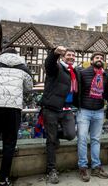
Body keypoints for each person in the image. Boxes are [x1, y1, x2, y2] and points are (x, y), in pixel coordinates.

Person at [0, 48, 33, 186]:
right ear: (18, 56)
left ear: (2, 55)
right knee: (9, 145)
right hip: (13, 109)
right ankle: (4, 179)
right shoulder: (23, 68)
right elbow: (29, 86)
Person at [41, 46, 77, 184]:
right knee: (51, 141)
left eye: (73, 56)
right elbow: (49, 64)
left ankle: (54, 134)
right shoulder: (56, 68)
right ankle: (51, 170)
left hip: (67, 109)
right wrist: (54, 53)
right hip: (51, 108)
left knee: (70, 134)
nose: (71, 57)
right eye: (68, 55)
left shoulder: (73, 71)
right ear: (63, 57)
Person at [76, 52, 108, 182]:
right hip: (84, 111)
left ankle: (96, 166)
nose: (99, 59)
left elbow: (106, 93)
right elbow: (77, 89)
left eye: (101, 58)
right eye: (97, 58)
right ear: (91, 60)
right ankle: (83, 167)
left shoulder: (105, 75)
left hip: (99, 111)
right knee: (82, 139)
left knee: (96, 139)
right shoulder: (83, 73)